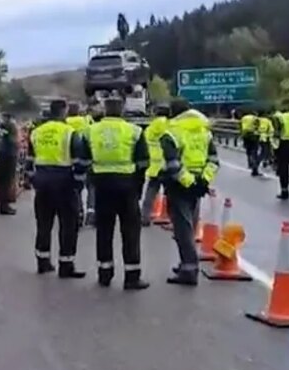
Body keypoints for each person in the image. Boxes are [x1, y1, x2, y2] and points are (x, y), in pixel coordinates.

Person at [87, 97, 150, 289]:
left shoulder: (91, 131)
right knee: (130, 232)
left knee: (104, 231)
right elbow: (143, 163)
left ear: (105, 110)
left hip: (102, 186)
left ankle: (104, 274)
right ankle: (132, 277)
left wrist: (93, 182)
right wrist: (138, 188)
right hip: (127, 186)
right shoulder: (134, 131)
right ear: (122, 110)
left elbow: (85, 160)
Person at [162, 98, 219, 286]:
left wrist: (189, 182)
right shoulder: (204, 131)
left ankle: (189, 268)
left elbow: (173, 164)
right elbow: (213, 160)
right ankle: (186, 263)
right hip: (198, 183)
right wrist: (203, 180)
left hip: (180, 184)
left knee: (183, 228)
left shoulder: (171, 133)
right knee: (191, 225)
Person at [28, 99, 87, 278]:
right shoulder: (70, 133)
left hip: (43, 184)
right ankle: (66, 265)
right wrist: (78, 184)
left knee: (43, 224)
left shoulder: (36, 132)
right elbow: (79, 162)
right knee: (68, 225)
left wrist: (34, 181)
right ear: (64, 111)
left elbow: (29, 162)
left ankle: (42, 262)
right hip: (65, 184)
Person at [140, 103, 170, 226]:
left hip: (155, 165)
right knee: (171, 194)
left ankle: (144, 217)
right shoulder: (171, 125)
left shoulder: (151, 128)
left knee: (151, 192)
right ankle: (170, 218)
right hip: (169, 164)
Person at [0, 112, 18, 215]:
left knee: (1, 182)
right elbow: (13, 141)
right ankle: (4, 206)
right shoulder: (11, 127)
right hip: (8, 156)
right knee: (7, 182)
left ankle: (3, 204)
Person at [240, 108, 260, 176]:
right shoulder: (255, 118)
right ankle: (254, 165)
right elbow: (258, 126)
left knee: (248, 149)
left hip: (245, 134)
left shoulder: (243, 118)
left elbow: (240, 126)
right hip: (253, 134)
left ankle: (249, 163)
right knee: (254, 150)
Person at [256, 106, 275, 172]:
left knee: (265, 151)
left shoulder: (257, 119)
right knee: (265, 152)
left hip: (257, 137)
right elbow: (271, 130)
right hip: (265, 138)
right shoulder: (267, 121)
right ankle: (256, 164)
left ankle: (267, 162)